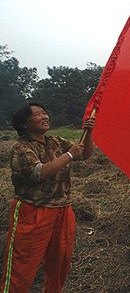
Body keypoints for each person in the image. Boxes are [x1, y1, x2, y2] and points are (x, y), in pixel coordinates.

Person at [1, 102, 96, 293]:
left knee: (60, 263)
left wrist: (89, 131)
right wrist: (69, 155)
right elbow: (39, 173)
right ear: (25, 123)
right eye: (37, 114)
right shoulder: (21, 148)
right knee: (22, 266)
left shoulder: (56, 142)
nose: (44, 117)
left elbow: (85, 154)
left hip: (62, 209)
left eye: (45, 113)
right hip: (33, 211)